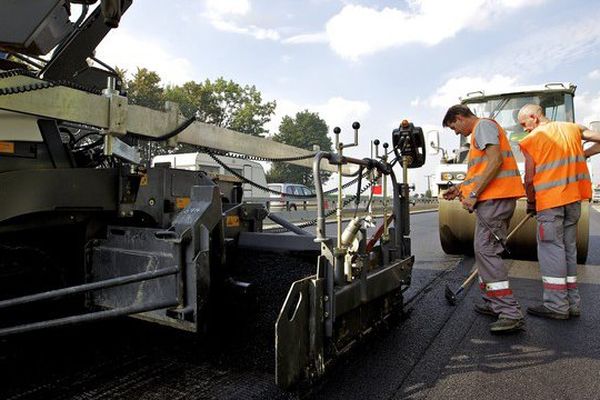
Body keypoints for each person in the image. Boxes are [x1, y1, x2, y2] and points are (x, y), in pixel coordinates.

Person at [442, 104, 526, 333]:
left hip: (495, 200)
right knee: (483, 249)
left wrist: (474, 193)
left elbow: (495, 161)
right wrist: (461, 187)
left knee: (487, 250)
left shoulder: (483, 126)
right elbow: (481, 171)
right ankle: (494, 302)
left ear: (459, 118)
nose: (456, 132)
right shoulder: (480, 132)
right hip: (493, 200)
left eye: (454, 127)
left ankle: (509, 312)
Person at [518, 104, 600, 319]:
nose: (524, 129)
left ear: (534, 117)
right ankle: (572, 305)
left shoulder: (531, 139)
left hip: (550, 203)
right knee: (568, 250)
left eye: (524, 124)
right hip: (573, 201)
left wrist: (531, 203)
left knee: (551, 250)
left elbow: (529, 177)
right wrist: (583, 154)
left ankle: (556, 306)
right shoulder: (572, 128)